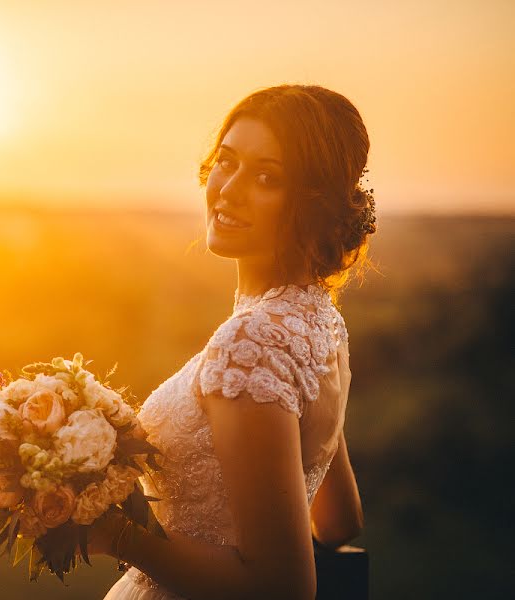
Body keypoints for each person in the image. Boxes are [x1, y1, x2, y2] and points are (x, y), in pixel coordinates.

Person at [87, 84, 373, 600]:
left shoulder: (254, 341)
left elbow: (284, 588)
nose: (229, 190)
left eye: (267, 177)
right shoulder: (322, 324)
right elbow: (338, 521)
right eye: (227, 161)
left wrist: (117, 534)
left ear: (312, 202)